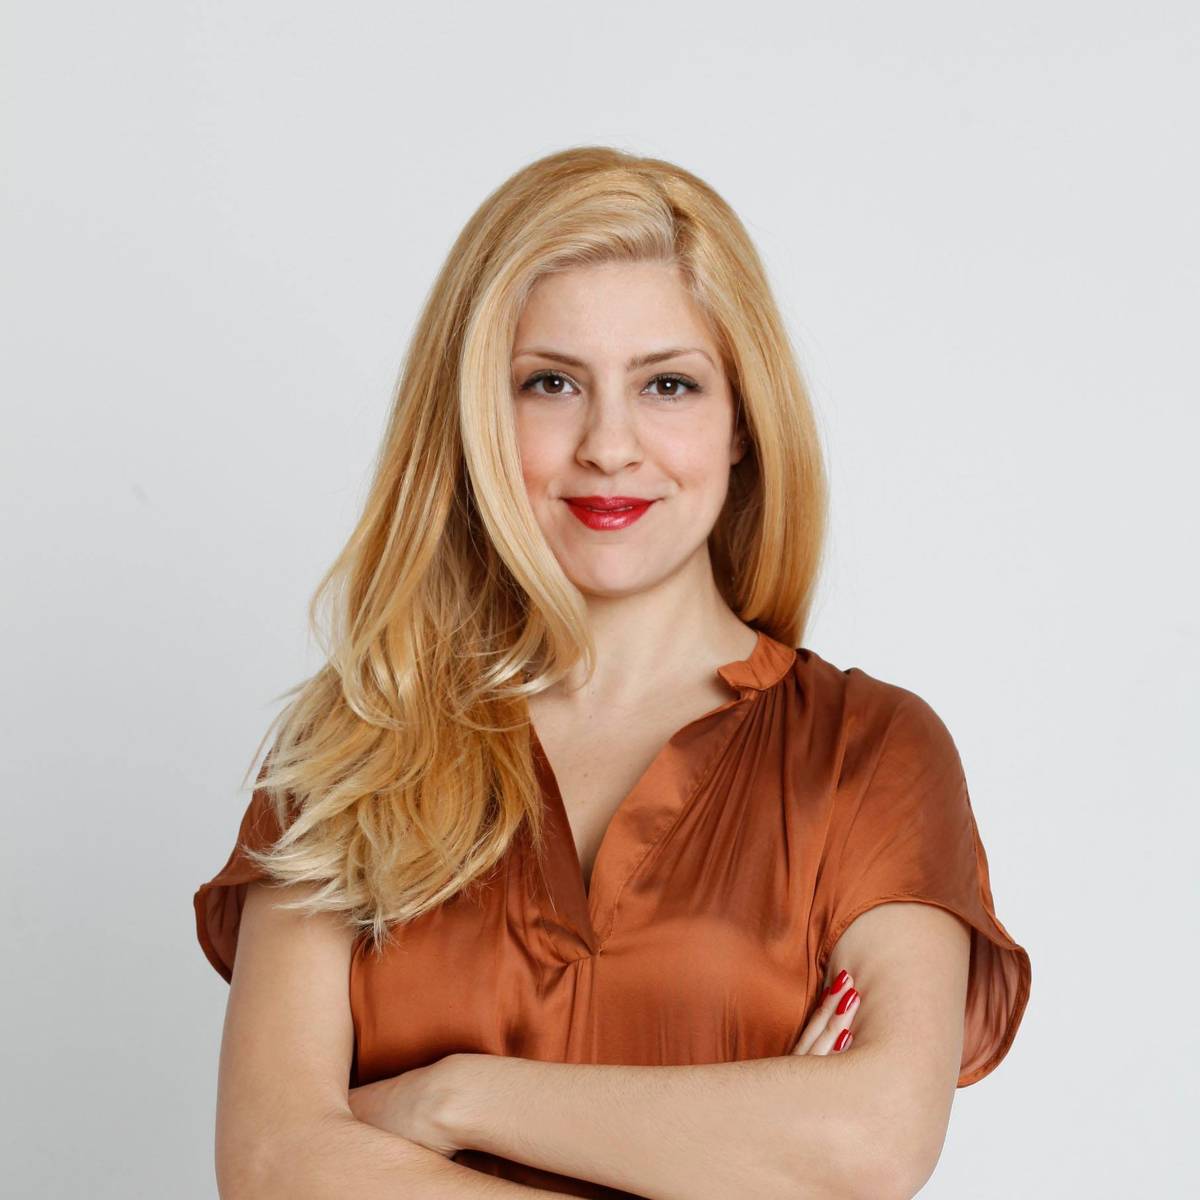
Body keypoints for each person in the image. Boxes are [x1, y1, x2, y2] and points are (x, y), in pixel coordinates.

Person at [194, 145, 1031, 1199]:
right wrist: (743, 1155)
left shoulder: (868, 752)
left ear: (742, 423)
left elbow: (871, 1140)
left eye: (667, 384)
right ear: (475, 418)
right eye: (550, 384)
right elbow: (275, 1166)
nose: (609, 445)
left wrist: (451, 1097)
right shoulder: (356, 742)